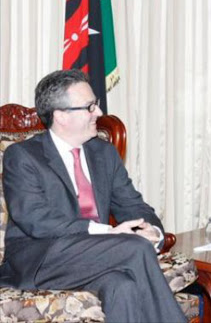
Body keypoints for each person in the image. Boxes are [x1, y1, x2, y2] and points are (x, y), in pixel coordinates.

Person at [0, 70, 186, 323]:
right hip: (42, 259)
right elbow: (35, 219)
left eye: (95, 105)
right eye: (89, 107)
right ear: (61, 116)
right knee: (134, 248)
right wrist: (107, 232)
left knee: (123, 287)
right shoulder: (23, 156)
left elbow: (132, 204)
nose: (99, 113)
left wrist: (152, 231)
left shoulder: (104, 153)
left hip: (95, 257)